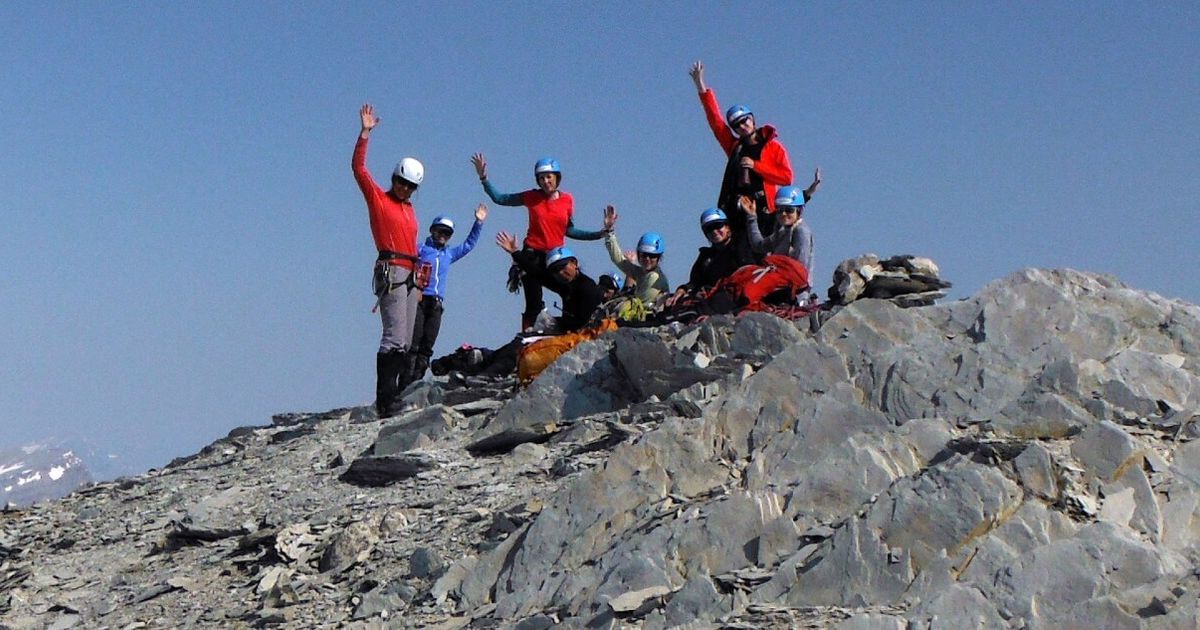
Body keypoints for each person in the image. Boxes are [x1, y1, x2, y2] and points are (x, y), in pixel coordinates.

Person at [471, 153, 606, 331]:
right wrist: (484, 178)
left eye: (548, 177)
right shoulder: (531, 197)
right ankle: (527, 336)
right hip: (532, 254)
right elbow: (500, 198)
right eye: (541, 178)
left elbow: (569, 230)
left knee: (571, 292)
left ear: (557, 177)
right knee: (533, 301)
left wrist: (599, 234)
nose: (545, 181)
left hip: (557, 259)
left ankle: (570, 328)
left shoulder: (567, 200)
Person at [353, 103, 424, 417]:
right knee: (394, 337)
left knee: (406, 340)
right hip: (392, 269)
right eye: (401, 182)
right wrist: (365, 134)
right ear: (394, 178)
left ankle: (393, 396)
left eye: (410, 186)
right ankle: (386, 401)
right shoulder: (380, 200)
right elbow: (359, 170)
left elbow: (411, 241)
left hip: (410, 271)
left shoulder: (409, 209)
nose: (404, 188)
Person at [689, 60, 793, 262]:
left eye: (745, 120)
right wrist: (701, 86)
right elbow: (716, 123)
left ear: (752, 119)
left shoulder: (773, 147)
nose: (743, 126)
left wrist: (756, 166)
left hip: (768, 212)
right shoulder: (735, 147)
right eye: (737, 125)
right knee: (741, 255)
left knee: (766, 254)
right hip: (739, 212)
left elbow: (786, 177)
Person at [409, 204, 487, 382]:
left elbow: (468, 245)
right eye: (440, 231)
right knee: (413, 344)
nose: (443, 236)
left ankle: (415, 383)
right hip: (419, 301)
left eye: (447, 233)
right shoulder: (419, 249)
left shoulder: (449, 254)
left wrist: (478, 222)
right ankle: (404, 384)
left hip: (436, 304)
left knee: (427, 345)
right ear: (432, 231)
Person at [495, 232, 602, 333]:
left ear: (574, 263)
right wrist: (515, 252)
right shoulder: (565, 286)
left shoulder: (587, 287)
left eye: (563, 266)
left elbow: (581, 322)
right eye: (555, 270)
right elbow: (537, 274)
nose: (560, 272)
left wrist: (554, 323)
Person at [743, 171, 822, 272]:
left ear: (799, 211)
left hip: (790, 284)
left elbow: (799, 269)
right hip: (778, 281)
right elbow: (758, 246)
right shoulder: (781, 231)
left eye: (789, 210)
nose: (783, 214)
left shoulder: (800, 231)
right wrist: (751, 216)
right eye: (780, 210)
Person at [668, 207, 745, 304]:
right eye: (709, 228)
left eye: (718, 225)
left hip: (738, 299)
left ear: (727, 227)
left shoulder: (741, 247)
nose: (714, 231)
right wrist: (683, 289)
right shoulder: (705, 257)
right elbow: (695, 282)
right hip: (713, 303)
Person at [600, 205, 670, 303]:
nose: (647, 259)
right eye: (644, 254)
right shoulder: (641, 273)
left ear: (659, 258)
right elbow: (618, 259)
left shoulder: (654, 278)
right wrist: (609, 230)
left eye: (652, 256)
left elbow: (641, 303)